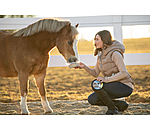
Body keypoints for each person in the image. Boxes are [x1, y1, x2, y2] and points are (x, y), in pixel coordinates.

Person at [75, 30, 134, 115]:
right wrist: (84, 67)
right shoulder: (100, 56)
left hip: (125, 86)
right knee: (92, 99)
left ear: (104, 40)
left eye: (97, 39)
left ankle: (112, 109)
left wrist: (106, 79)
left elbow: (124, 73)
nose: (95, 42)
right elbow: (95, 73)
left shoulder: (115, 53)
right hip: (112, 85)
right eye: (95, 39)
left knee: (95, 84)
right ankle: (120, 105)